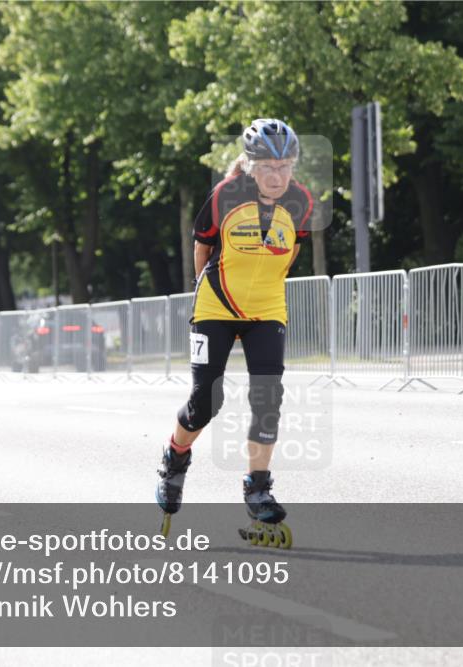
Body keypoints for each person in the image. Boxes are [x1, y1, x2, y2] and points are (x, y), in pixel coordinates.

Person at [156, 118, 313, 543]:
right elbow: (202, 247)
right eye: (269, 168)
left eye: (285, 167)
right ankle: (175, 459)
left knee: (268, 398)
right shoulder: (225, 195)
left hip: (266, 308)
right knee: (206, 400)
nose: (278, 176)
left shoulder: (301, 201)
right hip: (216, 305)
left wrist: (262, 288)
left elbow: (290, 251)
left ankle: (258, 487)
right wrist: (207, 293)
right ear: (250, 166)